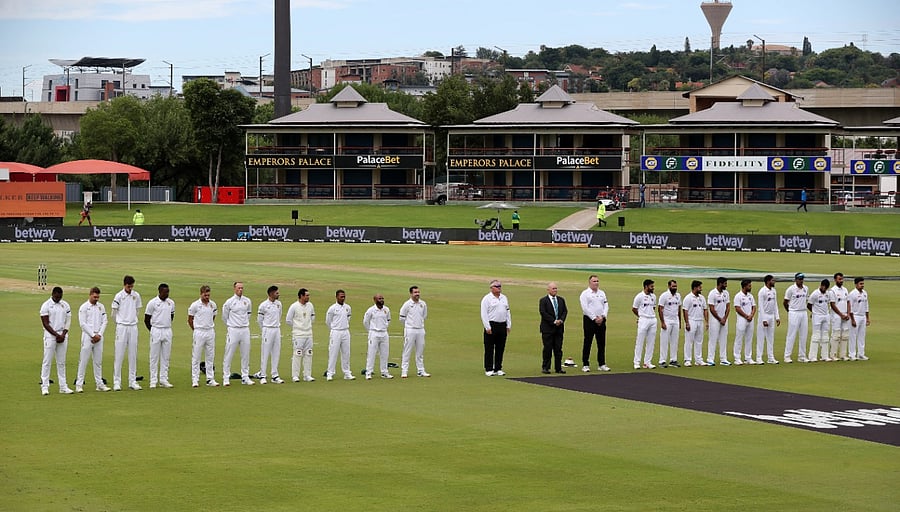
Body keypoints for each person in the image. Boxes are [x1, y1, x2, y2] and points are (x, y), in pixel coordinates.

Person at [39, 286, 73, 395]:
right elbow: (45, 323)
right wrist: (56, 335)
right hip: (50, 335)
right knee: (47, 361)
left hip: (62, 335)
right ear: (53, 294)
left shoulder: (65, 305)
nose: (59, 299)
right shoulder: (46, 305)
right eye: (57, 296)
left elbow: (68, 320)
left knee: (61, 362)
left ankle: (63, 386)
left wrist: (63, 334)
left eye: (60, 297)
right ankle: (44, 386)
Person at [75, 287, 109, 393]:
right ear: (90, 295)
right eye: (94, 297)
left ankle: (99, 384)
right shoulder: (84, 307)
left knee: (98, 361)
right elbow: (82, 324)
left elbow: (105, 321)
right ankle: (79, 384)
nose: (96, 299)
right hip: (87, 336)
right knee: (83, 361)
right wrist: (93, 335)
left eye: (98, 297)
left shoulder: (101, 307)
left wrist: (99, 334)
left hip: (99, 336)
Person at [112, 275, 142, 391]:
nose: (130, 288)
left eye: (132, 286)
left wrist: (132, 320)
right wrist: (120, 323)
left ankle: (132, 381)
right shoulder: (119, 296)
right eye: (129, 286)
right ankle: (116, 381)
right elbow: (114, 313)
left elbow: (137, 311)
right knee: (119, 354)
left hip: (133, 326)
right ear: (124, 285)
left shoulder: (136, 295)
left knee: (133, 354)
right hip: (122, 327)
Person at [144, 283, 175, 388]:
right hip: (156, 330)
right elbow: (146, 319)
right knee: (154, 356)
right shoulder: (152, 303)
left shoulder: (171, 303)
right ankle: (153, 380)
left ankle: (163, 379)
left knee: (166, 356)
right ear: (160, 291)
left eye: (168, 291)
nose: (167, 294)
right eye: (165, 292)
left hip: (167, 330)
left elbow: (171, 316)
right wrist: (152, 330)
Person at [222, 281, 253, 386]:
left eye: (242, 288)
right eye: (239, 288)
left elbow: (248, 313)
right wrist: (232, 325)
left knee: (245, 354)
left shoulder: (247, 301)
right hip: (233, 330)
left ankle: (245, 376)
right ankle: (226, 377)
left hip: (245, 329)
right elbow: (224, 317)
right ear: (234, 289)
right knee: (229, 353)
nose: (240, 290)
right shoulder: (229, 302)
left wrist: (243, 323)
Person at [188, 285, 219, 387]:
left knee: (210, 356)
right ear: (201, 294)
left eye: (208, 295)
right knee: (196, 356)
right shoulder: (195, 305)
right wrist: (196, 329)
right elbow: (190, 319)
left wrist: (208, 326)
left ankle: (210, 379)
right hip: (199, 332)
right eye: (205, 295)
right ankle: (195, 379)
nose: (207, 297)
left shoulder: (212, 305)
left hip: (210, 331)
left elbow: (213, 316)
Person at [579, 275, 610, 372]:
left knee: (601, 343)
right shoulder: (585, 294)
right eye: (594, 281)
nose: (596, 283)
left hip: (601, 319)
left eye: (597, 281)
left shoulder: (602, 293)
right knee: (588, 342)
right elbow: (585, 308)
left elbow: (606, 305)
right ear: (589, 282)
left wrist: (603, 316)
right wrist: (594, 318)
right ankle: (585, 364)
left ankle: (602, 363)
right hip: (590, 320)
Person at [254, 285, 284, 384]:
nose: (278, 294)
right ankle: (263, 375)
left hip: (276, 329)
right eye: (276, 293)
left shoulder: (279, 304)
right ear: (271, 294)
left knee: (276, 352)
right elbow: (259, 320)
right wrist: (264, 330)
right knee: (265, 353)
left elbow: (279, 316)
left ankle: (275, 375)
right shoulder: (263, 305)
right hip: (267, 329)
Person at [481, 279, 511, 376]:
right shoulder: (487, 299)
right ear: (491, 288)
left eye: (500, 286)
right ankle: (489, 368)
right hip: (492, 324)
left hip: (502, 324)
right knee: (489, 348)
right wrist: (487, 327)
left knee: (500, 347)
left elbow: (508, 311)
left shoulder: (504, 298)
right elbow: (484, 314)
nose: (499, 288)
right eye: (497, 286)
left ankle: (498, 368)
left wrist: (508, 325)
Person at [285, 288, 315, 382]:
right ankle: (295, 375)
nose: (308, 297)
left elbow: (313, 316)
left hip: (309, 333)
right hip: (298, 334)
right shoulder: (294, 306)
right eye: (307, 295)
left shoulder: (310, 305)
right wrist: (298, 327)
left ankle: (307, 375)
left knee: (309, 353)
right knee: (298, 354)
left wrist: (307, 325)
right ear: (301, 296)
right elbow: (288, 320)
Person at [399, 285, 429, 378]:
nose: (417, 294)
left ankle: (421, 370)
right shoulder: (407, 304)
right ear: (411, 293)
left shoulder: (423, 304)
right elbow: (402, 318)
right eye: (415, 292)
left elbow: (424, 316)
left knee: (420, 351)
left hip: (420, 330)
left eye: (418, 292)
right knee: (407, 351)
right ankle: (404, 371)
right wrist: (408, 326)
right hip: (410, 330)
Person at [538, 282, 567, 374]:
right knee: (547, 348)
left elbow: (565, 311)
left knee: (558, 349)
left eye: (556, 288)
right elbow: (543, 313)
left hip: (559, 328)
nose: (555, 290)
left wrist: (561, 320)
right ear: (548, 290)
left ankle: (558, 368)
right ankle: (546, 367)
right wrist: (554, 321)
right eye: (553, 289)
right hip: (548, 329)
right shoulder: (543, 300)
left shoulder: (561, 300)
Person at [325, 289, 354, 381]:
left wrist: (344, 325)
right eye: (341, 296)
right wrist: (334, 328)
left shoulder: (348, 307)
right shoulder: (332, 308)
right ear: (336, 297)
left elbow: (348, 317)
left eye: (344, 296)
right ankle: (330, 373)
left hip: (345, 331)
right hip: (336, 332)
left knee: (346, 353)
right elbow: (328, 321)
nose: (343, 298)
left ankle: (347, 373)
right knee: (333, 352)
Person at [363, 293, 392, 380]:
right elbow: (365, 322)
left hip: (384, 333)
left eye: (382, 298)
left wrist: (384, 327)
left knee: (385, 353)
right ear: (375, 300)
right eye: (379, 298)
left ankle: (384, 372)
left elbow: (388, 320)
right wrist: (371, 331)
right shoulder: (371, 310)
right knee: (371, 353)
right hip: (374, 333)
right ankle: (368, 372)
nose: (381, 300)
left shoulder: (386, 310)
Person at [783, 272, 810, 363]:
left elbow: (807, 300)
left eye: (802, 279)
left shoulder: (806, 288)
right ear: (795, 280)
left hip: (803, 312)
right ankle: (787, 356)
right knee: (791, 334)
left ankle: (802, 356)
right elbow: (785, 302)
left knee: (804, 335)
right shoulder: (791, 289)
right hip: (794, 312)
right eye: (799, 279)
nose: (801, 281)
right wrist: (790, 311)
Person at [631, 279, 657, 369]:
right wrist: (641, 316)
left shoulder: (653, 296)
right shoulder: (639, 296)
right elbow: (634, 308)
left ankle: (647, 362)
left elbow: (653, 308)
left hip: (653, 319)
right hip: (644, 319)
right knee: (640, 341)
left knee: (651, 342)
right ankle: (636, 362)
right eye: (651, 286)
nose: (653, 288)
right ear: (646, 286)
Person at [756, 274, 781, 364]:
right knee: (761, 337)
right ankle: (759, 357)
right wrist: (763, 319)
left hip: (771, 316)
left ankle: (771, 357)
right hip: (764, 315)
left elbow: (775, 304)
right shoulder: (762, 291)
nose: (774, 282)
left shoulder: (774, 291)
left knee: (771, 338)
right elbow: (761, 306)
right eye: (772, 280)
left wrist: (777, 317)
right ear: (768, 281)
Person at [682, 280, 708, 366]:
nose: (701, 289)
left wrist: (706, 321)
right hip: (691, 320)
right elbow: (685, 311)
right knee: (689, 341)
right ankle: (687, 360)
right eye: (700, 287)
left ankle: (698, 359)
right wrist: (687, 323)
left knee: (699, 340)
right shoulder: (688, 298)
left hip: (700, 320)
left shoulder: (702, 298)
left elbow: (705, 310)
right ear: (695, 288)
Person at [706, 277, 731, 366]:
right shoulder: (712, 293)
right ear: (720, 283)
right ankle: (710, 358)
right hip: (715, 319)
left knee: (723, 339)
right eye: (725, 284)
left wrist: (725, 318)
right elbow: (711, 308)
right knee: (713, 338)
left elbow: (728, 306)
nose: (726, 285)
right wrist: (720, 319)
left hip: (724, 319)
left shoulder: (726, 293)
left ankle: (723, 358)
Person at [656, 279, 681, 368]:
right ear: (669, 286)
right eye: (673, 286)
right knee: (664, 340)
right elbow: (660, 309)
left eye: (676, 286)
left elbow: (679, 308)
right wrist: (662, 322)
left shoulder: (678, 296)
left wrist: (680, 321)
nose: (675, 288)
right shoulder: (664, 296)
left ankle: (673, 360)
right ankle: (662, 360)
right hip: (667, 320)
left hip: (675, 320)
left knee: (675, 341)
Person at [732, 279, 757, 365]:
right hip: (742, 319)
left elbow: (754, 306)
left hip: (750, 318)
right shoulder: (738, 296)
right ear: (744, 286)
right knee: (739, 338)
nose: (750, 287)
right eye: (749, 286)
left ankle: (748, 357)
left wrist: (751, 315)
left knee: (749, 338)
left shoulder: (750, 296)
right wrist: (746, 316)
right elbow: (737, 308)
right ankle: (737, 358)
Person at [807, 278, 832, 362]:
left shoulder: (828, 294)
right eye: (824, 287)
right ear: (821, 285)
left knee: (825, 336)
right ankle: (812, 356)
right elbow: (809, 305)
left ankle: (824, 356)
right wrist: (814, 312)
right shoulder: (815, 294)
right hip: (817, 316)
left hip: (826, 316)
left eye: (826, 288)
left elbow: (827, 304)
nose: (825, 289)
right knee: (816, 336)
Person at [828, 272, 851, 361]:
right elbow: (833, 304)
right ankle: (833, 354)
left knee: (845, 335)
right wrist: (841, 314)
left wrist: (848, 313)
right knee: (836, 335)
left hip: (845, 314)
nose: (841, 281)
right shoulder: (832, 291)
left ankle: (843, 354)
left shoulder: (845, 290)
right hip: (836, 315)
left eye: (842, 279)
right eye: (839, 279)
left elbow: (848, 302)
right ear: (835, 280)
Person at [848, 277, 870, 361]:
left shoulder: (865, 293)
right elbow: (850, 307)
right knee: (853, 336)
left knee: (862, 336)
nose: (862, 285)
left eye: (863, 284)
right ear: (856, 284)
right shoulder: (852, 294)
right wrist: (852, 319)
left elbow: (866, 306)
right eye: (860, 284)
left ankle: (861, 354)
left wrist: (867, 318)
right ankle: (852, 354)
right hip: (855, 316)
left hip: (863, 316)